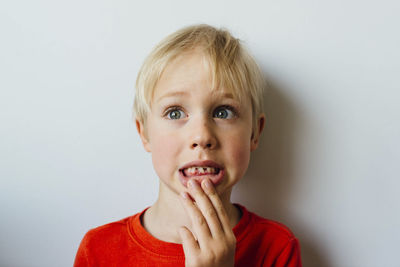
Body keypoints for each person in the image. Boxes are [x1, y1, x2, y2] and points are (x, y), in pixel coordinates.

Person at [74, 24, 302, 267]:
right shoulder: (98, 250)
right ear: (144, 133)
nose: (202, 136)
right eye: (175, 113)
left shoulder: (277, 248)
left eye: (223, 112)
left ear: (255, 132)